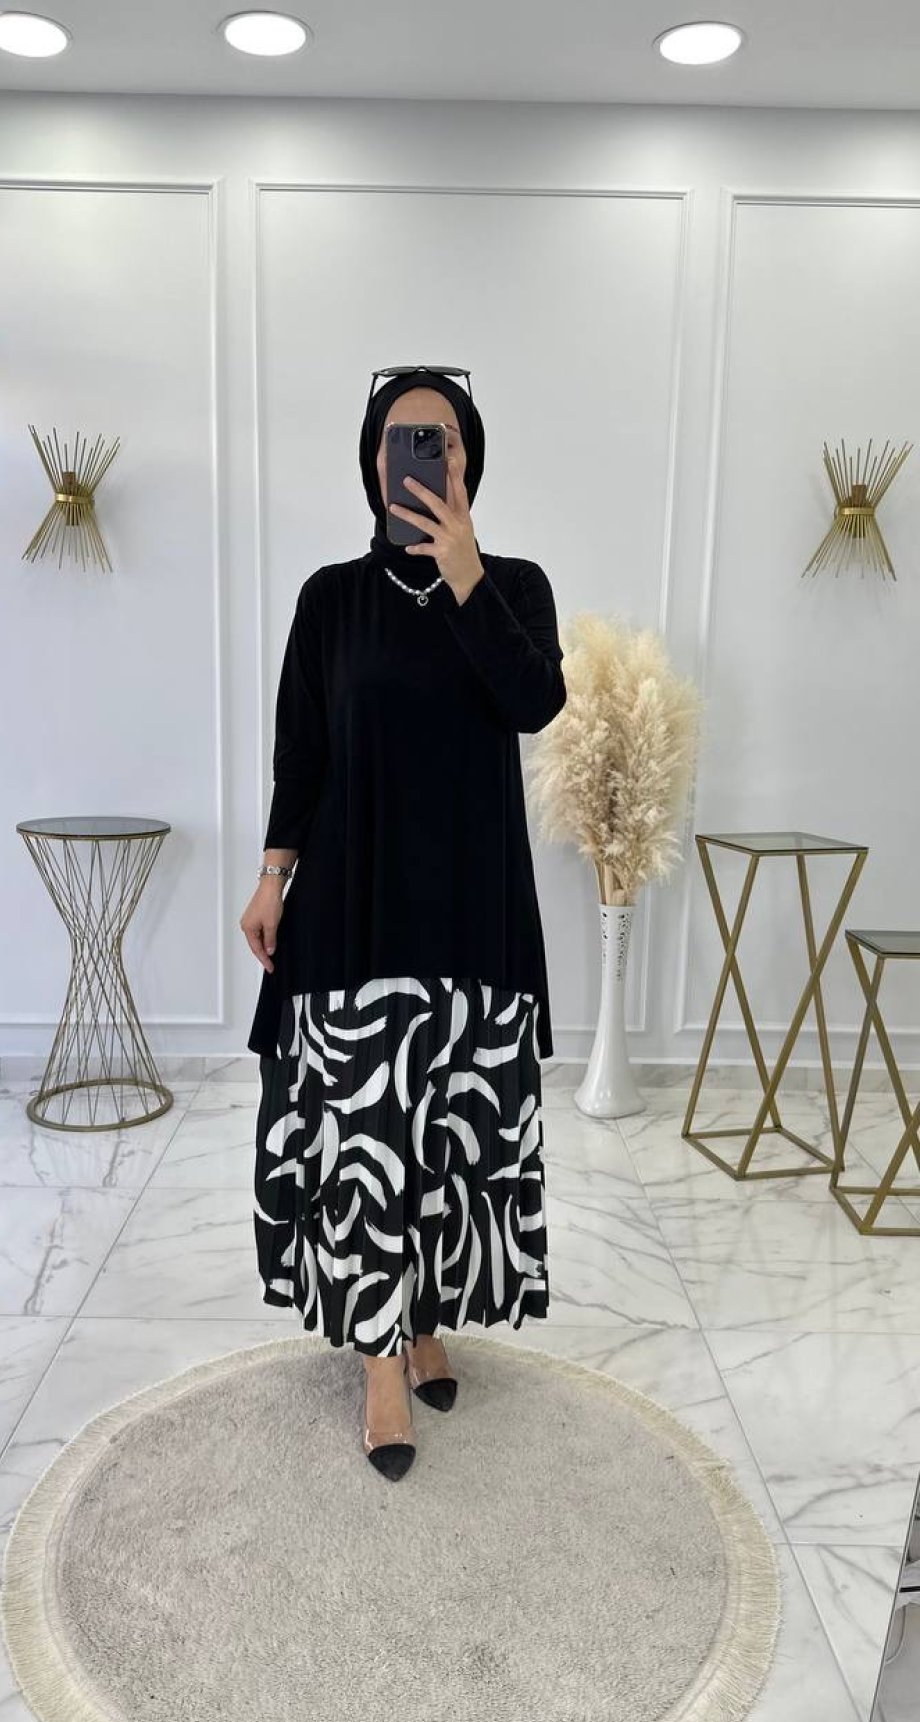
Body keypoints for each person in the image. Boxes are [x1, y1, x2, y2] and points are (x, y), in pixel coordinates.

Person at [240, 365, 567, 1482]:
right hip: (353, 906)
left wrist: (464, 570)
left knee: (448, 1135)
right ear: (372, 460)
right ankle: (382, 1359)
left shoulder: (515, 586)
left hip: (473, 911)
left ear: (469, 458)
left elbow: (533, 703)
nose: (420, 455)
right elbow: (302, 752)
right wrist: (272, 876)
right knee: (365, 1141)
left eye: (441, 438)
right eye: (399, 437)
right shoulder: (331, 598)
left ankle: (424, 1315)